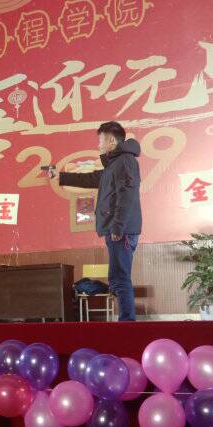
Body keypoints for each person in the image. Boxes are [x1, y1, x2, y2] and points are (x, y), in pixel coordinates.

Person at [49, 121, 142, 321]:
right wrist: (61, 176)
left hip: (121, 230)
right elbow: (91, 179)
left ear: (111, 140)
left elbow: (127, 195)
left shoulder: (125, 161)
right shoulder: (114, 165)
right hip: (117, 229)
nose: (98, 144)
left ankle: (128, 324)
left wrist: (117, 226)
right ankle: (127, 322)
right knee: (117, 279)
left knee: (120, 279)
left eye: (100, 140)